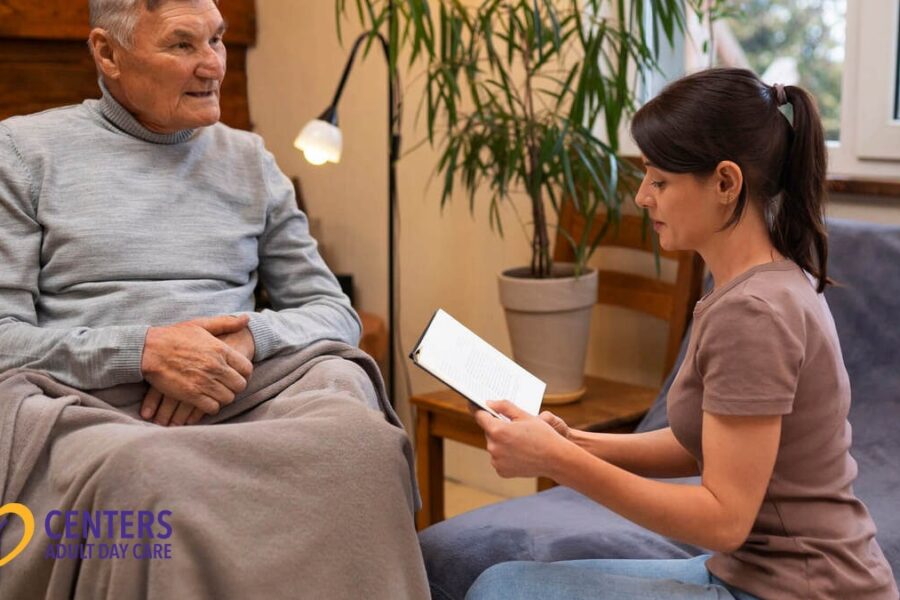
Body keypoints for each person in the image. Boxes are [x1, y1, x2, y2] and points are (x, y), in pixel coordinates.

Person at [0, 0, 428, 598]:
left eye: (219, 40)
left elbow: (334, 311)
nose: (213, 66)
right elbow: (4, 334)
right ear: (107, 53)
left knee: (364, 443)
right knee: (149, 474)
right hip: (93, 402)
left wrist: (249, 340)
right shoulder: (23, 152)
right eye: (182, 45)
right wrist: (143, 353)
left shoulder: (250, 160)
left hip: (243, 384)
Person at [464, 68, 898, 599]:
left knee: (503, 591)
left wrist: (558, 462)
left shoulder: (755, 314)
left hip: (803, 590)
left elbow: (723, 521)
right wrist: (574, 441)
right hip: (754, 576)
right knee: (500, 582)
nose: (643, 197)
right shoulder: (753, 285)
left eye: (660, 181)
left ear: (725, 182)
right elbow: (704, 443)